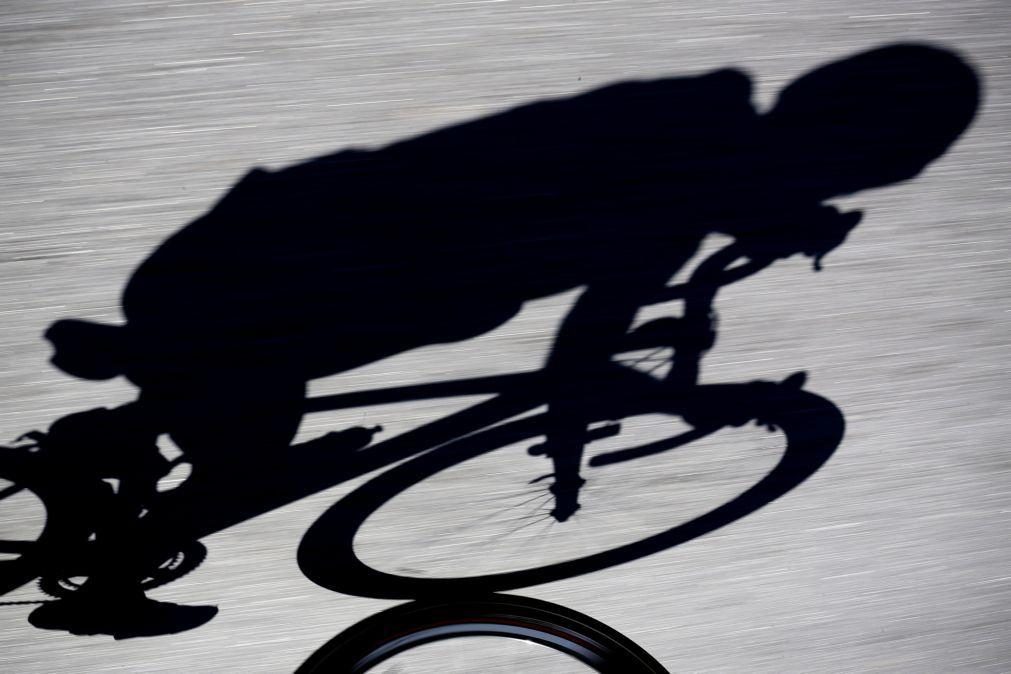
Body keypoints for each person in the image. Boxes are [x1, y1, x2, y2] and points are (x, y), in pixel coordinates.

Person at [34, 44, 978, 633]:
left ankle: (99, 451)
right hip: (274, 274)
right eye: (901, 160)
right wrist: (699, 399)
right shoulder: (684, 167)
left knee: (234, 397)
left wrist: (767, 217)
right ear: (869, 150)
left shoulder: (694, 121)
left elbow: (689, 188)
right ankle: (101, 580)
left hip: (276, 257)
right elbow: (580, 356)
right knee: (244, 456)